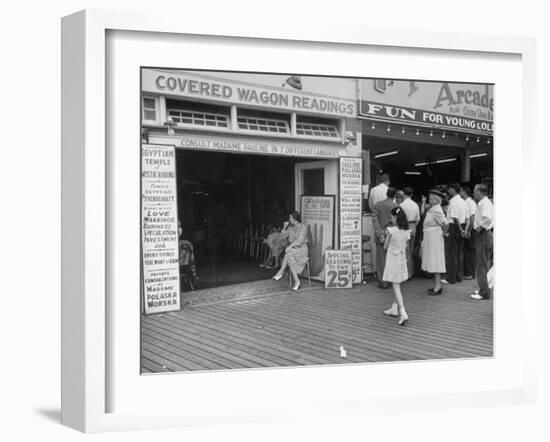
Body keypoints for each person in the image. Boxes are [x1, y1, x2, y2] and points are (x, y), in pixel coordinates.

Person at [382, 207, 411, 326]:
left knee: (395, 285)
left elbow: (385, 246)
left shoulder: (391, 230)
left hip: (393, 259)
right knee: (398, 283)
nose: (391, 219)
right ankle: (394, 308)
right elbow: (407, 246)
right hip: (401, 258)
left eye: (392, 217)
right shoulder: (406, 231)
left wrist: (384, 238)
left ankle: (403, 312)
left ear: (395, 217)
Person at [421, 189, 449, 295]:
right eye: (430, 197)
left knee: (436, 261)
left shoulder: (437, 209)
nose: (431, 199)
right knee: (433, 261)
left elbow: (446, 223)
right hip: (431, 237)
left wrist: (444, 233)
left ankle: (438, 287)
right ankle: (436, 285)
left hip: (435, 238)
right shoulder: (433, 208)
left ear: (437, 199)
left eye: (433, 198)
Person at [272, 211, 308, 291]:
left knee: (288, 253)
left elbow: (300, 241)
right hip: (293, 250)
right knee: (289, 255)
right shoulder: (290, 228)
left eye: (290, 217)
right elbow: (282, 237)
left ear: (294, 218)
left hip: (301, 250)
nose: (289, 219)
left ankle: (281, 272)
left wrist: (290, 246)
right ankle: (297, 282)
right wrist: (284, 227)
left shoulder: (303, 227)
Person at [470, 184, 494, 300]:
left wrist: (479, 228)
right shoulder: (485, 202)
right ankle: (483, 288)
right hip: (484, 234)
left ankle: (484, 292)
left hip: (483, 234)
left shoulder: (485, 203)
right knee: (484, 263)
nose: (474, 193)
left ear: (479, 192)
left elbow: (488, 218)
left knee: (481, 264)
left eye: (475, 191)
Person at [372, 187, 398, 288]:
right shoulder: (396, 206)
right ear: (394, 196)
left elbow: (375, 220)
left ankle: (383, 282)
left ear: (386, 194)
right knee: (391, 259)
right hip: (392, 235)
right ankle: (391, 280)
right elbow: (396, 223)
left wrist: (380, 233)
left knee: (381, 259)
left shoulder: (378, 205)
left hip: (381, 236)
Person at [445, 182, 467, 284]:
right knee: (459, 254)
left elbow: (454, 216)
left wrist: (459, 229)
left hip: (454, 226)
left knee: (451, 253)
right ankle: (459, 277)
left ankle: (451, 278)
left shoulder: (453, 201)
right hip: (462, 225)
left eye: (449, 189)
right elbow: (467, 218)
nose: (448, 191)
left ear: (453, 189)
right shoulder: (463, 201)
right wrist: (465, 229)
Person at [400, 187, 420, 278]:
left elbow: (399, 218)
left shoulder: (401, 205)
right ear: (411, 195)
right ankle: (411, 272)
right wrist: (414, 226)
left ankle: (406, 273)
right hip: (413, 227)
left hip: (405, 227)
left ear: (403, 194)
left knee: (405, 251)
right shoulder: (415, 205)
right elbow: (418, 219)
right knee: (411, 251)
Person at [461, 185, 477, 279]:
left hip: (471, 229)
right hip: (468, 229)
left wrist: (469, 231)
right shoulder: (466, 202)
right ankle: (467, 272)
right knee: (466, 251)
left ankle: (470, 273)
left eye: (461, 191)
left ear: (464, 192)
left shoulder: (470, 203)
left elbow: (472, 217)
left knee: (469, 251)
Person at [178, 221, 198, 291]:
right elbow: (191, 261)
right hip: (185, 267)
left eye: (179, 226)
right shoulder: (187, 243)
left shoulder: (186, 243)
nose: (179, 229)